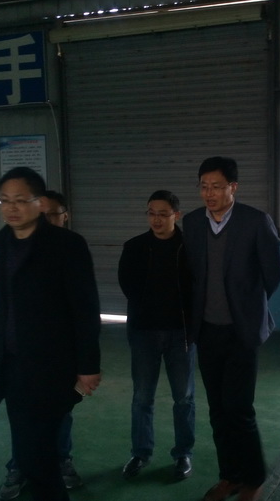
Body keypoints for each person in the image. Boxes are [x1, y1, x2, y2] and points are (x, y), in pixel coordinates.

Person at [0, 167, 101, 501]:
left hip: (52, 366)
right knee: (28, 449)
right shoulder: (0, 246)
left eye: (20, 200)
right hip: (13, 365)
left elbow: (85, 309)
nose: (11, 207)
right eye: (4, 200)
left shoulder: (66, 245)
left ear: (40, 203)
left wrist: (88, 365)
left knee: (40, 452)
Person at [182, 157, 280, 501]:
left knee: (239, 409)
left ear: (233, 187)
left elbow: (274, 272)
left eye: (216, 186)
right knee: (217, 410)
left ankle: (253, 479)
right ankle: (230, 476)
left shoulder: (255, 221)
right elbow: (191, 273)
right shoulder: (193, 222)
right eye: (204, 187)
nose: (209, 193)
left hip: (242, 332)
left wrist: (249, 305)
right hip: (207, 331)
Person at [0, 189, 81, 500]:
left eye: (53, 215)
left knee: (60, 412)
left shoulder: (72, 250)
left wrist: (85, 362)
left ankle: (61, 461)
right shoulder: (19, 250)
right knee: (21, 416)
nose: (46, 221)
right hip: (23, 355)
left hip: (60, 356)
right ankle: (18, 467)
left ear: (65, 216)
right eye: (41, 215)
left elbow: (83, 310)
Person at [118, 190, 195, 481]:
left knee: (184, 398)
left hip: (181, 334)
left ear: (177, 215)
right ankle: (140, 453)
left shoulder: (190, 247)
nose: (156, 219)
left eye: (163, 214)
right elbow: (127, 284)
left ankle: (183, 453)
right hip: (144, 334)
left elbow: (198, 286)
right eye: (151, 213)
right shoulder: (135, 247)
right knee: (142, 397)